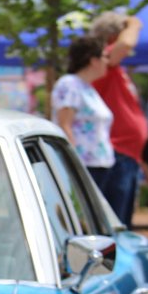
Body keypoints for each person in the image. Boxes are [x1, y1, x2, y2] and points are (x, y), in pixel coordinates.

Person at [89, 11, 146, 225]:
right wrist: (134, 24)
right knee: (116, 224)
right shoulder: (104, 61)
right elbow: (125, 45)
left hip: (125, 155)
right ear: (114, 36)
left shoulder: (113, 68)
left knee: (122, 223)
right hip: (117, 153)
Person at [52, 35, 116, 214]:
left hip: (98, 164)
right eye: (104, 56)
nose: (107, 61)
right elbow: (64, 124)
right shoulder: (70, 84)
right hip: (84, 166)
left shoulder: (87, 87)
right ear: (93, 60)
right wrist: (74, 163)